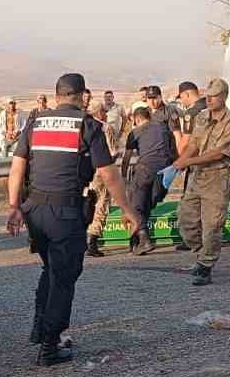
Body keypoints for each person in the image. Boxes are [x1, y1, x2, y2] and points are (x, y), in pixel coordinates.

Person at [8, 73, 140, 365]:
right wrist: (129, 211)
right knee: (64, 278)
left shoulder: (35, 122)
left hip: (35, 211)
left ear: (56, 97)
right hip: (65, 212)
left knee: (50, 269)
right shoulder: (87, 125)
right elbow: (108, 174)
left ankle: (39, 328)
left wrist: (14, 206)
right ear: (83, 97)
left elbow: (17, 168)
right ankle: (50, 347)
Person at [172, 78, 230, 286]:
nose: (209, 99)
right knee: (186, 220)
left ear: (224, 96)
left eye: (214, 96)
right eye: (208, 95)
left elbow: (217, 153)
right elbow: (194, 142)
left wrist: (187, 162)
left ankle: (205, 266)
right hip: (198, 176)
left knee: (212, 226)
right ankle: (202, 255)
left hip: (218, 178)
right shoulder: (202, 117)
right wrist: (182, 160)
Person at [124, 103, 175, 255]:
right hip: (164, 172)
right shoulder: (163, 128)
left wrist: (123, 176)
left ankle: (144, 239)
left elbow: (126, 158)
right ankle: (136, 241)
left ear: (136, 119)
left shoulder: (135, 132)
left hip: (145, 170)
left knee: (135, 205)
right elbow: (173, 149)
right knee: (147, 204)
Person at [169, 81, 203, 251]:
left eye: (182, 97)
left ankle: (192, 240)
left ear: (187, 94)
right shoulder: (210, 107)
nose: (182, 101)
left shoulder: (192, 112)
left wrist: (181, 159)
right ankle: (206, 237)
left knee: (190, 203)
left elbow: (186, 141)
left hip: (195, 162)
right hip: (212, 161)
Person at [85, 98, 118, 256]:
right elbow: (112, 152)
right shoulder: (105, 128)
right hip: (101, 171)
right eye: (104, 111)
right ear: (99, 112)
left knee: (86, 203)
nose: (106, 113)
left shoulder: (83, 126)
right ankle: (93, 240)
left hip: (86, 172)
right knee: (101, 204)